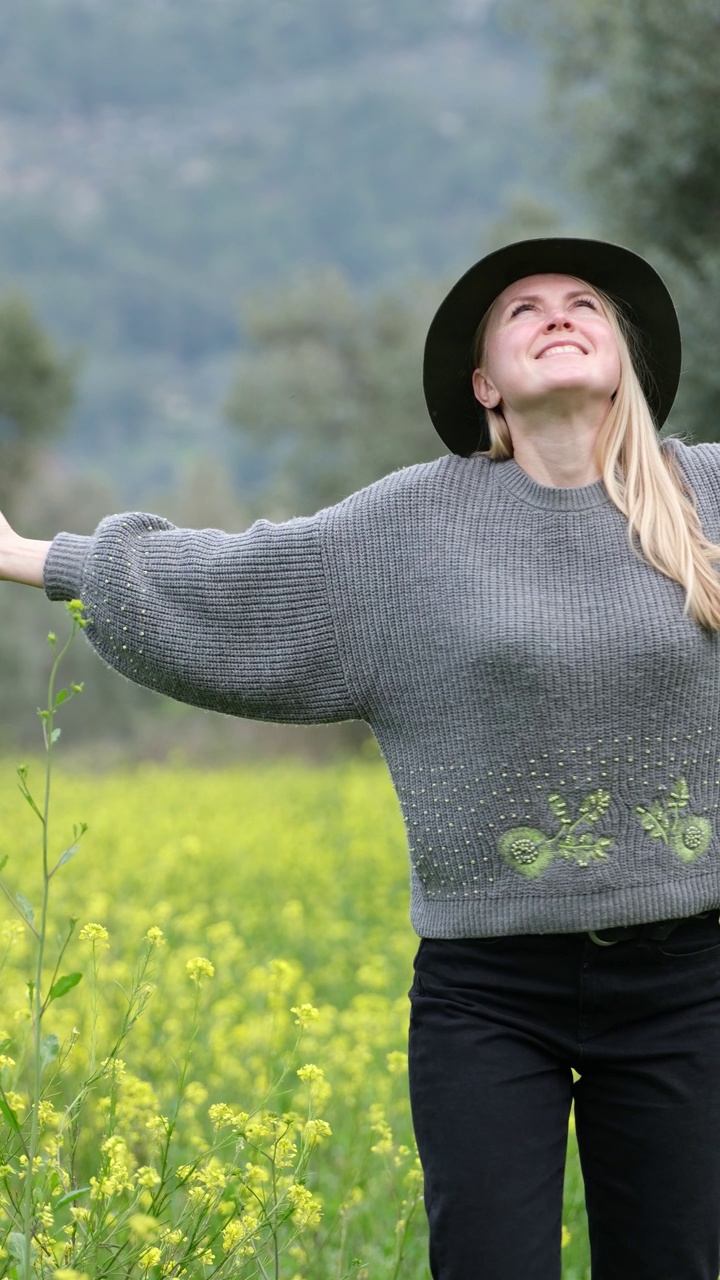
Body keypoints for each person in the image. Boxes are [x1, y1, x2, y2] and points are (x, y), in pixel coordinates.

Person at [2, 236, 720, 1280]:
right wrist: (31, 555)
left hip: (690, 979)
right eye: (523, 309)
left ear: (625, 355)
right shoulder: (410, 530)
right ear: (485, 383)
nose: (558, 314)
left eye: (583, 303)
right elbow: (234, 582)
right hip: (492, 992)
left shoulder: (709, 495)